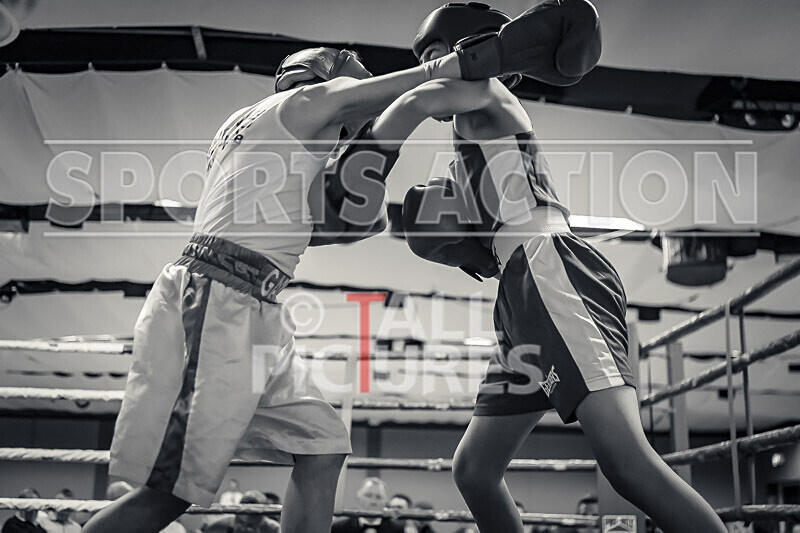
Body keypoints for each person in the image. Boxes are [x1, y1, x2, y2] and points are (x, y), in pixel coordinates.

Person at [366, 2, 730, 533]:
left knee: (627, 464)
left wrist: (360, 150)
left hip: (551, 269)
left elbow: (421, 96)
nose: (429, 65)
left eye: (435, 54)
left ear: (467, 49)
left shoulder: (485, 93)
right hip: (519, 293)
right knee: (474, 470)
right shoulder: (466, 134)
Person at [80, 43, 474, 533]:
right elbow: (409, 85)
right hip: (217, 297)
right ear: (328, 83)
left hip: (253, 308)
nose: (344, 134)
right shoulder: (300, 105)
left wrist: (373, 162)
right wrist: (485, 60)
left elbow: (335, 226)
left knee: (322, 447)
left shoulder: (269, 133)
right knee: (170, 496)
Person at [331, 478, 404, 533]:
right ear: (358, 498)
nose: (373, 501)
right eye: (368, 495)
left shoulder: (397, 529)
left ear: (386, 501)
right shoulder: (338, 528)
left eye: (379, 497)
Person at [204, 491, 279, 533]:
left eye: (251, 525)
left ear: (262, 518)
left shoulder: (274, 529)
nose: (246, 529)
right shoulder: (218, 527)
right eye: (242, 523)